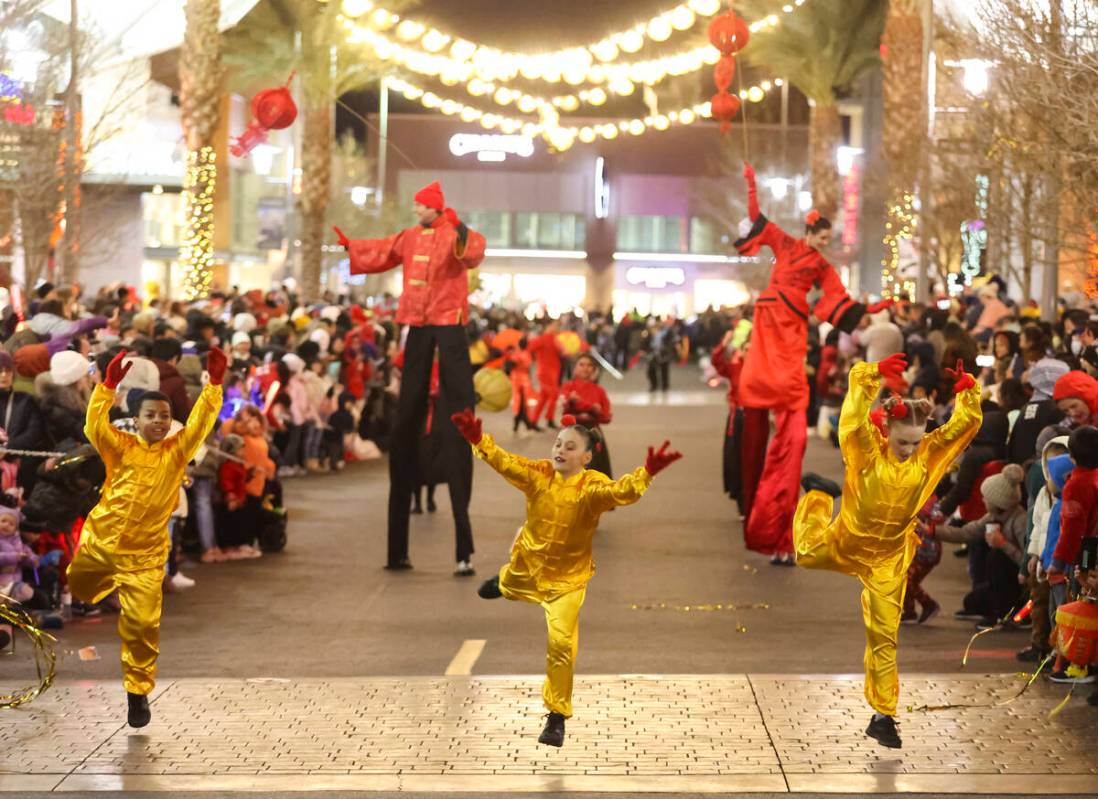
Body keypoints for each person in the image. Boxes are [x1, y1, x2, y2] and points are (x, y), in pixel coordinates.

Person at [451, 408, 681, 747]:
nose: (560, 450)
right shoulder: (539, 474)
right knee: (511, 583)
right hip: (527, 565)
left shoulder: (592, 488)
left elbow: (621, 492)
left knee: (561, 644)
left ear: (587, 457)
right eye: (558, 444)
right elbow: (504, 461)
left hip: (568, 580)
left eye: (570, 447)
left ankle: (556, 717)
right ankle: (504, 584)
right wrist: (478, 440)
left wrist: (647, 473)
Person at [794, 354, 982, 748]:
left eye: (915, 442)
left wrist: (968, 393)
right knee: (805, 552)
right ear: (888, 432)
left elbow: (962, 429)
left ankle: (884, 716)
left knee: (884, 636)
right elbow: (851, 421)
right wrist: (869, 377)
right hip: (846, 541)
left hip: (889, 558)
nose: (909, 449)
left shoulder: (927, 456)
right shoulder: (867, 452)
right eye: (902, 441)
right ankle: (817, 495)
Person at [66, 348, 225, 728]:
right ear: (135, 420)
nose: (158, 421)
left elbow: (201, 423)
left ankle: (137, 695)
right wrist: (106, 387)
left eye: (165, 417)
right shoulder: (119, 448)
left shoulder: (176, 452)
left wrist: (214, 386)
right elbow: (93, 427)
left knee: (142, 628)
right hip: (101, 544)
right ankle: (88, 594)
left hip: (147, 558)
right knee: (81, 586)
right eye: (150, 415)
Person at [735, 162, 883, 564]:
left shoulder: (821, 266)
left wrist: (865, 310)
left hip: (791, 331)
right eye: (823, 236)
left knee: (792, 443)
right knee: (769, 409)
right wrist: (751, 183)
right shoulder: (784, 245)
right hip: (771, 324)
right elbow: (756, 218)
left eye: (829, 238)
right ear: (811, 233)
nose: (826, 242)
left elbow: (837, 300)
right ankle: (775, 533)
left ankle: (780, 534)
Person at [335, 181, 486, 573]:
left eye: (420, 207)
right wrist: (352, 247)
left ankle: (463, 548)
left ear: (435, 207)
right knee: (409, 409)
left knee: (456, 396)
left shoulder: (454, 233)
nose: (415, 212)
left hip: (448, 323)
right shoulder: (409, 237)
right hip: (417, 323)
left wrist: (463, 233)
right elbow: (383, 250)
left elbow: (473, 254)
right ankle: (397, 550)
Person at [560, 353, 612, 477]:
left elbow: (607, 416)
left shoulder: (599, 391)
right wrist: (591, 408)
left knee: (596, 472)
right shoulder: (568, 386)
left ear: (594, 370)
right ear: (575, 368)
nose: (585, 368)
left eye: (589, 365)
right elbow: (565, 407)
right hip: (572, 433)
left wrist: (580, 404)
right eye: (581, 364)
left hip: (593, 433)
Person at [529, 320, 563, 429]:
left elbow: (562, 352)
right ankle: (549, 418)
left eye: (557, 325)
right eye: (554, 325)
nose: (556, 327)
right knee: (554, 394)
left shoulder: (555, 339)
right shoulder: (544, 338)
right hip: (546, 372)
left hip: (552, 372)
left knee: (544, 397)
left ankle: (534, 420)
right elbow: (530, 347)